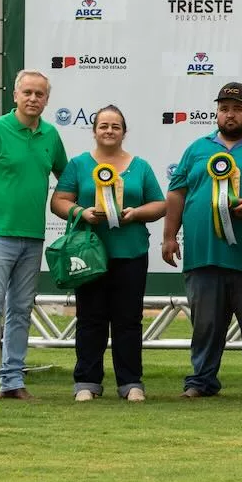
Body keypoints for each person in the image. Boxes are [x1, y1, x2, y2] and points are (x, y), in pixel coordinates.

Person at [162, 82, 242, 400]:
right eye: (224, 109)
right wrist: (168, 236)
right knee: (205, 326)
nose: (230, 114)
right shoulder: (196, 149)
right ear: (217, 113)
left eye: (237, 108)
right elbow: (177, 192)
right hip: (204, 255)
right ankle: (201, 381)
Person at [0, 69, 68, 402]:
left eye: (40, 94)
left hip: (33, 237)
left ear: (47, 99)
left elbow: (66, 180)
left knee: (21, 310)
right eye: (28, 93)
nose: (34, 99)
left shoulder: (50, 135)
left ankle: (12, 381)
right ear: (16, 96)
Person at [50, 105, 166, 402]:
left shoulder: (140, 166)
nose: (109, 131)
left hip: (131, 253)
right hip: (89, 256)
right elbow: (59, 201)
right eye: (104, 126)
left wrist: (136, 212)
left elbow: (160, 204)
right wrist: (81, 212)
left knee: (128, 320)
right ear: (94, 131)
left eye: (115, 126)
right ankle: (87, 382)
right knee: (90, 319)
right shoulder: (78, 165)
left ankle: (131, 383)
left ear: (124, 132)